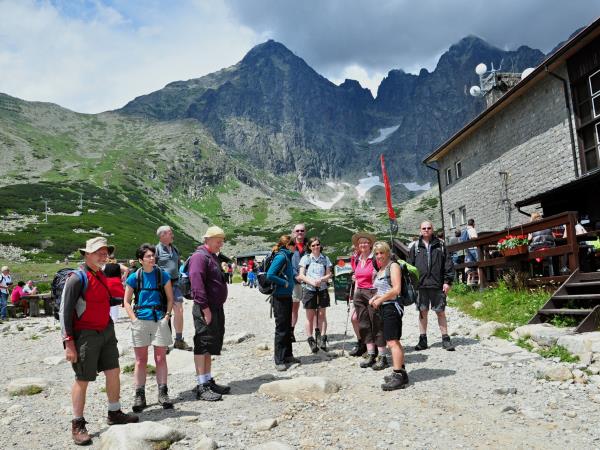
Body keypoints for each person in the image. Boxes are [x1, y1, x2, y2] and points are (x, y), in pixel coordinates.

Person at [60, 237, 138, 446]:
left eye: (105, 252)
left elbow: (104, 299)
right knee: (82, 378)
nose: (103, 255)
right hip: (85, 334)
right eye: (98, 252)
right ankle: (77, 423)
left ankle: (114, 412)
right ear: (86, 254)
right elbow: (65, 311)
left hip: (106, 330)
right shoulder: (77, 278)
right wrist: (68, 342)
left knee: (113, 371)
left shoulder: (101, 274)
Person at [124, 243, 175, 413]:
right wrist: (134, 320)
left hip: (159, 319)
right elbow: (126, 301)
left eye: (153, 255)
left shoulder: (163, 275)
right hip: (140, 321)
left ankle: (163, 393)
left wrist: (167, 316)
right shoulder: (134, 277)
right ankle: (140, 395)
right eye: (148, 256)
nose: (152, 258)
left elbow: (170, 298)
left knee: (160, 358)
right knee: (140, 360)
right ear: (140, 260)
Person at [188, 226, 230, 401]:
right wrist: (205, 309)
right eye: (218, 241)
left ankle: (207, 379)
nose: (221, 245)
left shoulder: (211, 256)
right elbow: (197, 284)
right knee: (203, 343)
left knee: (210, 343)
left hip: (214, 307)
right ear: (208, 240)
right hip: (205, 308)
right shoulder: (199, 257)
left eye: (222, 241)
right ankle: (201, 385)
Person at [408, 221, 455, 352]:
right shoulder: (415, 246)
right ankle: (423, 340)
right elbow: (410, 266)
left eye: (429, 228)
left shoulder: (440, 245)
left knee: (440, 312)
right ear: (420, 230)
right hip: (421, 286)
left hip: (437, 284)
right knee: (423, 313)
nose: (426, 230)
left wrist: (448, 282)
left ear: (432, 229)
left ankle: (446, 339)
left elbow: (448, 264)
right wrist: (412, 283)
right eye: (424, 228)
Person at [368, 241, 409, 390]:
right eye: (377, 253)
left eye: (382, 253)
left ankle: (398, 375)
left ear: (388, 253)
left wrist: (380, 300)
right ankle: (401, 371)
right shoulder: (381, 269)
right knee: (392, 340)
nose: (379, 256)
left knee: (392, 342)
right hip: (385, 307)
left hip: (392, 307)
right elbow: (385, 288)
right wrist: (375, 297)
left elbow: (396, 289)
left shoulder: (393, 266)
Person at [351, 232, 389, 370]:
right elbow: (357, 277)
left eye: (366, 242)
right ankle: (371, 354)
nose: (363, 244)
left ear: (370, 244)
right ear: (357, 245)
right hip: (359, 294)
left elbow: (384, 274)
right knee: (364, 324)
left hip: (373, 293)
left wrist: (380, 295)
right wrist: (355, 294)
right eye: (361, 242)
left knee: (377, 323)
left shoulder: (375, 258)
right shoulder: (357, 259)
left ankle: (383, 356)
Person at [266, 235, 300, 371]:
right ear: (288, 246)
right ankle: (279, 359)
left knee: (287, 326)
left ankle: (288, 355)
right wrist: (285, 283)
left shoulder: (287, 257)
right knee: (281, 328)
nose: (295, 248)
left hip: (286, 296)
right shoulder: (281, 257)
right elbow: (270, 275)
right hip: (280, 297)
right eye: (294, 245)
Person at [155, 225, 190, 351]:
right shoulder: (156, 250)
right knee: (165, 313)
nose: (172, 235)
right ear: (162, 235)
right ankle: (164, 342)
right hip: (162, 285)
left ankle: (179, 340)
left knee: (179, 311)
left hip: (175, 283)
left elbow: (178, 265)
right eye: (170, 233)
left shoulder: (174, 248)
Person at [298, 236, 333, 353]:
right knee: (310, 316)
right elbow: (301, 275)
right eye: (313, 245)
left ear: (320, 245)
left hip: (322, 289)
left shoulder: (325, 258)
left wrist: (321, 279)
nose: (316, 247)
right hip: (309, 289)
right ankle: (310, 339)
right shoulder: (305, 259)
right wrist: (312, 282)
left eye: (317, 244)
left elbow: (329, 274)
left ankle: (323, 337)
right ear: (309, 247)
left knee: (322, 314)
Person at [290, 224, 307, 342]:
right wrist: (295, 275)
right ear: (294, 232)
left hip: (308, 281)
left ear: (305, 232)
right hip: (294, 281)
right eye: (297, 230)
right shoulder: (289, 246)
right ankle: (291, 331)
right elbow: (287, 263)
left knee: (311, 308)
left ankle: (312, 333)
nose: (300, 232)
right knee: (294, 308)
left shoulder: (309, 245)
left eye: (302, 230)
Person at [103, 258, 127, 323]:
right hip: (117, 282)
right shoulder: (118, 265)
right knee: (116, 301)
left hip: (108, 283)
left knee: (107, 300)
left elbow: (99, 271)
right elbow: (127, 269)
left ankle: (108, 317)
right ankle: (114, 319)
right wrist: (124, 276)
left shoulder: (105, 265)